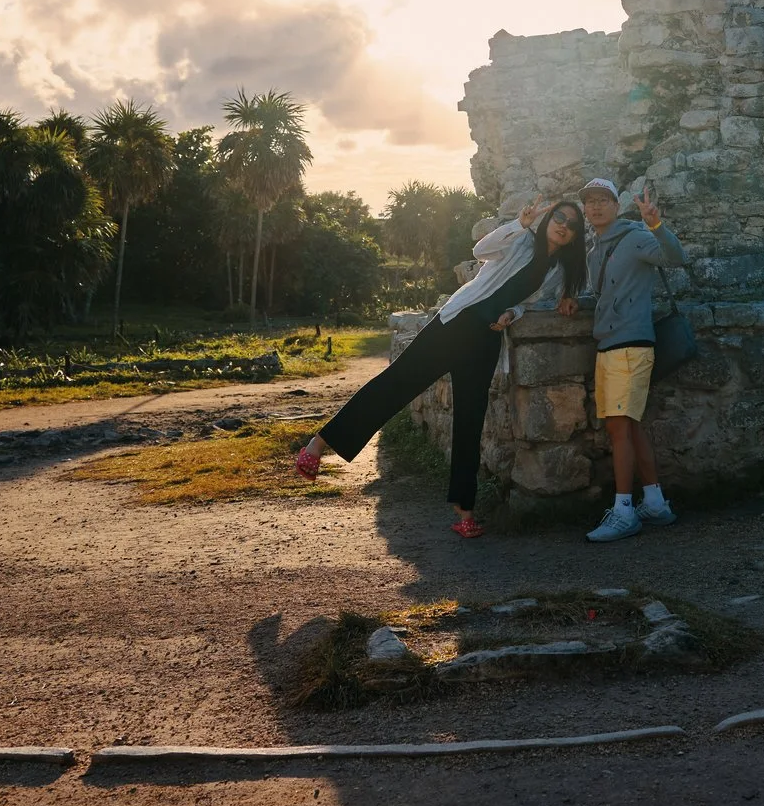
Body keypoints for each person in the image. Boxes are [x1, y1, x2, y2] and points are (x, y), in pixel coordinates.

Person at [292, 198, 583, 537]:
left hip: (487, 337)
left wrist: (511, 315)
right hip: (456, 323)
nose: (563, 224)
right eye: (559, 216)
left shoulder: (557, 271)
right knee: (398, 383)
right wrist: (519, 223)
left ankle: (465, 512)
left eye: (571, 224)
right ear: (549, 218)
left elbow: (527, 306)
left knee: (471, 417)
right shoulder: (520, 239)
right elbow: (481, 250)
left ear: (574, 237)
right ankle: (318, 444)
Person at [564, 177, 687, 543]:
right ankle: (654, 502)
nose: (596, 206)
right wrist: (575, 301)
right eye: (590, 201)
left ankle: (623, 512)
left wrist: (655, 224)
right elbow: (603, 296)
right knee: (630, 427)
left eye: (603, 199)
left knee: (618, 430)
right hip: (610, 346)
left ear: (617, 206)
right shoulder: (594, 251)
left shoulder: (635, 237)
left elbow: (675, 258)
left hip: (630, 347)